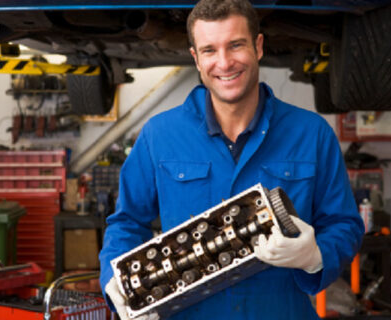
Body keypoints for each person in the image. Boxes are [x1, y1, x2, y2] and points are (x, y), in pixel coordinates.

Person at [99, 0, 364, 319]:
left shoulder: (311, 133)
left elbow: (344, 223)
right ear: (196, 58)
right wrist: (115, 281)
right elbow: (127, 221)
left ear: (259, 46)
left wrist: (317, 255)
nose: (224, 63)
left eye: (236, 45)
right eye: (209, 50)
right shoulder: (160, 134)